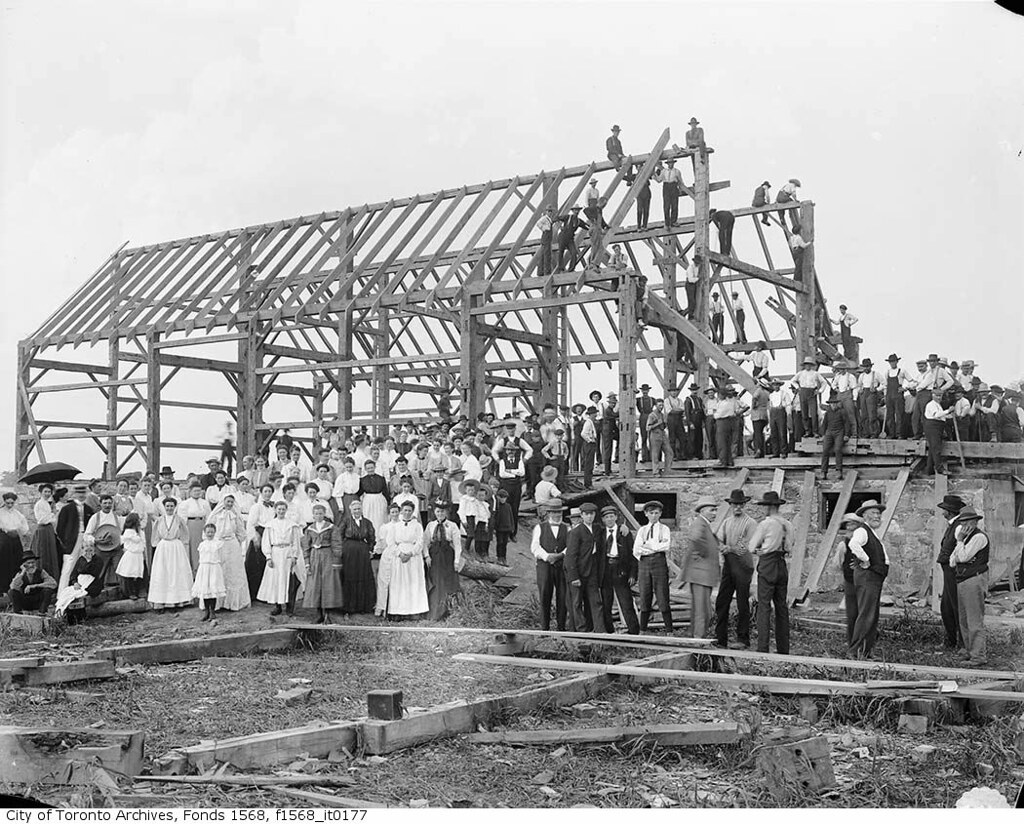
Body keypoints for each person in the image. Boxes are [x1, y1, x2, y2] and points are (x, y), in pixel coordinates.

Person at [749, 490, 792, 654]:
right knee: (782, 607)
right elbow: (790, 546)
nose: (762, 510)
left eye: (764, 506)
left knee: (764, 606)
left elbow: (752, 546)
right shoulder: (788, 524)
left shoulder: (765, 524)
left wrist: (761, 550)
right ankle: (783, 649)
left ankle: (763, 647)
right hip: (781, 563)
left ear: (769, 507)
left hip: (767, 563)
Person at [713, 490, 757, 649]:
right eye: (734, 504)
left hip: (743, 565)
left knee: (742, 602)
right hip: (728, 564)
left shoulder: (750, 523)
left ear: (744, 505)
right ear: (730, 505)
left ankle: (743, 639)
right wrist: (723, 547)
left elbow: (746, 546)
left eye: (740, 504)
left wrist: (729, 548)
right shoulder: (726, 522)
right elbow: (718, 539)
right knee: (722, 600)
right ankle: (720, 638)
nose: (737, 507)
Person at [846, 500, 889, 658]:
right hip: (867, 578)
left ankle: (865, 651)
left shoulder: (872, 532)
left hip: (874, 578)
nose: (877, 516)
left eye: (878, 513)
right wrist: (865, 559)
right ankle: (855, 651)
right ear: (864, 515)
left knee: (872, 615)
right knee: (866, 615)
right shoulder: (862, 531)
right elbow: (853, 544)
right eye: (873, 513)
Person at [949, 507, 989, 666]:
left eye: (967, 522)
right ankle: (967, 650)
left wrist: (959, 542)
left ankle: (978, 656)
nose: (964, 526)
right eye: (963, 522)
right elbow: (953, 560)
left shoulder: (978, 537)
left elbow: (964, 557)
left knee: (974, 619)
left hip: (974, 578)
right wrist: (959, 549)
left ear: (974, 522)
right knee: (964, 618)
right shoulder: (966, 539)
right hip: (964, 579)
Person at [565, 502, 607, 633]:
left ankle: (600, 630)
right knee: (577, 603)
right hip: (578, 571)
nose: (589, 517)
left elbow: (610, 529)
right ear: (582, 515)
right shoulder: (575, 532)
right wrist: (574, 576)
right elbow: (570, 555)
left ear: (595, 515)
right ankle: (581, 630)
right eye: (586, 514)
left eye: (592, 514)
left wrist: (623, 527)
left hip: (592, 571)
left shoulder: (597, 529)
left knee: (596, 601)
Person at [258, 501, 304, 616]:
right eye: (279, 509)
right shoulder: (270, 525)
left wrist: (294, 556)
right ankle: (277, 606)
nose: (281, 511)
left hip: (287, 553)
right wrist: (268, 557)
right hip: (275, 553)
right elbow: (266, 542)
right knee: (275, 580)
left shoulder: (292, 525)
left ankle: (289, 607)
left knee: (289, 579)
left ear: (286, 510)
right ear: (275, 510)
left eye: (283, 509)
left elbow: (295, 542)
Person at [597, 506, 639, 635]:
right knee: (606, 602)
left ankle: (634, 632)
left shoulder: (624, 533)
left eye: (611, 516)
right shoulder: (600, 533)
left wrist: (633, 574)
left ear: (616, 517)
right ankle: (609, 631)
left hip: (620, 570)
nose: (609, 519)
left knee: (626, 602)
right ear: (603, 520)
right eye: (606, 517)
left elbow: (633, 555)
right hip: (605, 571)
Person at [531, 501, 571, 631]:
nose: (556, 514)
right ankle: (545, 628)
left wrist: (559, 555)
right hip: (544, 566)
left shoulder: (567, 528)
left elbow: (571, 546)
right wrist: (547, 557)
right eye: (554, 512)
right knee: (544, 595)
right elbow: (535, 547)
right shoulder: (540, 527)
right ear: (548, 513)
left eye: (559, 512)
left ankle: (561, 627)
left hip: (562, 565)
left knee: (563, 595)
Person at [634, 500, 673, 633]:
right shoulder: (642, 530)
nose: (654, 516)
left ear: (660, 514)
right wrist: (654, 548)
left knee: (662, 594)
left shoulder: (664, 529)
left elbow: (666, 546)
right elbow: (637, 550)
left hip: (659, 563)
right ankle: (642, 630)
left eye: (657, 513)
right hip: (644, 564)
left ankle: (669, 630)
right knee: (645, 594)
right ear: (646, 514)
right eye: (651, 513)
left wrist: (649, 546)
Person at [149, 497, 194, 611]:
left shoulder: (179, 520)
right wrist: (157, 544)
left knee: (176, 572)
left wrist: (183, 543)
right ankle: (161, 601)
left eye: (171, 506)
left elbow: (185, 534)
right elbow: (155, 536)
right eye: (167, 506)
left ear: (175, 507)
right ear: (164, 507)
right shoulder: (159, 520)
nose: (169, 508)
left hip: (175, 547)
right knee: (162, 572)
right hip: (163, 547)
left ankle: (176, 601)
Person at [685, 498, 721, 639]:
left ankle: (695, 636)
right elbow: (695, 538)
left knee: (699, 608)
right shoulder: (699, 523)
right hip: (701, 574)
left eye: (716, 509)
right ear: (702, 511)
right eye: (711, 510)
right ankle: (699, 639)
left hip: (702, 574)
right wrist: (704, 552)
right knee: (702, 609)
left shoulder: (704, 524)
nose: (715, 513)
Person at [301, 502, 342, 624]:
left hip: (327, 554)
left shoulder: (331, 527)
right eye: (316, 514)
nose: (318, 516)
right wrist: (307, 563)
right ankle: (318, 614)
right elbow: (306, 547)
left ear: (324, 514)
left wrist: (336, 561)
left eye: (321, 513)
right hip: (314, 556)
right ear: (313, 515)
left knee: (328, 583)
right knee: (315, 584)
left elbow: (337, 544)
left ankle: (327, 614)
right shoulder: (310, 529)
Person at [935, 494, 967, 650]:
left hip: (954, 570)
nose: (942, 512)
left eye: (944, 509)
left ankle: (962, 643)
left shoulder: (959, 526)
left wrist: (954, 565)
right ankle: (950, 640)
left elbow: (961, 549)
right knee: (946, 607)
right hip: (948, 570)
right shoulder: (952, 524)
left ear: (950, 511)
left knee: (956, 606)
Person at [386, 500, 428, 618]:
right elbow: (390, 542)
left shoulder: (417, 526)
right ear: (401, 511)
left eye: (409, 510)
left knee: (413, 583)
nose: (407, 513)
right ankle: (398, 612)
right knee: (399, 583)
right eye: (405, 510)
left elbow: (420, 542)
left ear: (413, 511)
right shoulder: (395, 526)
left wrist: (410, 553)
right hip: (399, 557)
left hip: (413, 557)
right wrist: (399, 554)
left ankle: (414, 612)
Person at [423, 499, 463, 621]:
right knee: (436, 582)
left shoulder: (452, 525)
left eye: (442, 511)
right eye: (438, 511)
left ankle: (448, 611)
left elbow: (457, 544)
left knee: (448, 582)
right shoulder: (430, 525)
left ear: (446, 512)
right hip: (434, 556)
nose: (440, 514)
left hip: (447, 556)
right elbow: (425, 542)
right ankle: (434, 612)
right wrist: (426, 556)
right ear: (435, 512)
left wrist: (456, 561)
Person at [208, 494, 249, 612]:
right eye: (228, 502)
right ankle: (217, 603)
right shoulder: (215, 515)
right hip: (219, 545)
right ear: (223, 502)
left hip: (232, 545)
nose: (229, 504)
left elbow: (241, 532)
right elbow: (208, 530)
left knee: (233, 572)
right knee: (219, 571)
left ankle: (232, 602)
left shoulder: (235, 516)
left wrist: (235, 542)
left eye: (232, 502)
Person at [335, 500, 376, 614]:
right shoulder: (346, 521)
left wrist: (370, 549)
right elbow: (339, 535)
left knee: (363, 575)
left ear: (361, 509)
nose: (357, 511)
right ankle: (348, 606)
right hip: (349, 551)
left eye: (359, 509)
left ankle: (363, 606)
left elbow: (372, 537)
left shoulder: (367, 522)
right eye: (355, 509)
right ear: (351, 510)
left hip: (363, 551)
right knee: (349, 575)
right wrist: (342, 549)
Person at [838, 513, 866, 647]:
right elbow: (838, 563)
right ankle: (852, 642)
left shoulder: (864, 542)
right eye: (848, 524)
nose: (849, 527)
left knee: (863, 612)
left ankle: (861, 641)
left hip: (864, 581)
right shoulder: (843, 544)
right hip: (850, 580)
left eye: (852, 524)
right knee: (852, 613)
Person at [191, 522, 226, 622]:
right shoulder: (202, 544)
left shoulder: (218, 544)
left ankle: (212, 611)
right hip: (204, 568)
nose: (210, 534)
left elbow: (222, 557)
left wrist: (218, 565)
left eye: (212, 532)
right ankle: (206, 611)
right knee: (205, 590)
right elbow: (200, 557)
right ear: (204, 533)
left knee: (213, 591)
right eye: (208, 532)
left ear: (215, 532)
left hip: (214, 567)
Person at [28, 484, 61, 581]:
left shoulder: (47, 503)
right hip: (43, 530)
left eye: (49, 492)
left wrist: (52, 511)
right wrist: (53, 514)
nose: (47, 494)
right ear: (41, 492)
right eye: (45, 491)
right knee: (43, 553)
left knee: (51, 553)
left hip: (49, 530)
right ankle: (43, 578)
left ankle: (52, 578)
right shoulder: (39, 504)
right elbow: (42, 519)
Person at [791, 357, 827, 437]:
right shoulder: (800, 373)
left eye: (809, 365)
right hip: (803, 391)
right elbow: (792, 380)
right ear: (804, 365)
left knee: (814, 413)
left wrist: (820, 391)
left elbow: (824, 382)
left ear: (811, 365)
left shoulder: (815, 373)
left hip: (811, 392)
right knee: (804, 413)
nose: (808, 366)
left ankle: (815, 431)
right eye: (806, 364)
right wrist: (798, 388)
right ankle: (807, 430)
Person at [114, 512, 146, 600]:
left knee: (138, 574)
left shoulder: (140, 532)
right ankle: (130, 592)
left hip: (138, 555)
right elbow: (130, 540)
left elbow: (143, 543)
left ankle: (138, 591)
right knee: (129, 574)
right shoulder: (128, 532)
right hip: (131, 555)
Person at [819, 392, 850, 480]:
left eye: (834, 403)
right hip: (829, 432)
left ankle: (838, 470)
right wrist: (822, 434)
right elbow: (824, 424)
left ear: (837, 404)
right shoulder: (828, 413)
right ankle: (823, 471)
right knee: (825, 450)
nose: (833, 405)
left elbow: (847, 423)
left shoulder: (842, 411)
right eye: (831, 404)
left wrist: (846, 434)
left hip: (839, 432)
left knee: (838, 449)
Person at [924, 389, 954, 475]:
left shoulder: (938, 405)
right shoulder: (931, 404)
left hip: (937, 426)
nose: (939, 397)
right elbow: (936, 415)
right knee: (936, 448)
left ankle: (929, 470)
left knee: (932, 449)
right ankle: (940, 469)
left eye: (940, 396)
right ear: (932, 395)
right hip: (933, 427)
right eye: (937, 395)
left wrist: (949, 415)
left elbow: (941, 416)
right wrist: (948, 410)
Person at [713, 386, 744, 468]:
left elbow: (718, 415)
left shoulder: (724, 403)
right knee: (728, 442)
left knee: (721, 442)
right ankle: (729, 460)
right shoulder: (730, 402)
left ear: (721, 395)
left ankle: (722, 460)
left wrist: (714, 414)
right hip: (729, 421)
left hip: (722, 422)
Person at [882, 354, 910, 439]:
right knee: (889, 416)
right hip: (889, 396)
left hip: (898, 396)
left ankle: (899, 434)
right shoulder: (887, 372)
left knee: (899, 415)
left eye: (893, 361)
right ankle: (891, 434)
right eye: (890, 362)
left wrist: (905, 388)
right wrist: (885, 395)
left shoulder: (902, 371)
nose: (892, 363)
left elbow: (912, 381)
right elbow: (885, 385)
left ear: (897, 361)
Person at [767, 380, 792, 458]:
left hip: (781, 412)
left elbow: (788, 404)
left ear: (779, 385)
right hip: (773, 412)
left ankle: (784, 451)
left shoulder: (784, 394)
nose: (776, 386)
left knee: (782, 433)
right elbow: (769, 406)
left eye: (777, 385)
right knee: (774, 433)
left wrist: (788, 413)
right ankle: (775, 452)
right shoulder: (771, 395)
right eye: (774, 385)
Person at [858, 359, 882, 438]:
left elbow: (884, 384)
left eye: (867, 366)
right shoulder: (862, 376)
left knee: (872, 415)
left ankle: (874, 433)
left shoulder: (876, 374)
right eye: (864, 367)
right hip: (864, 393)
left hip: (872, 394)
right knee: (864, 415)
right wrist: (860, 389)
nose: (866, 368)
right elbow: (858, 385)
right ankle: (866, 433)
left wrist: (877, 389)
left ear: (871, 366)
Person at [647, 398, 671, 477]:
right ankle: (655, 472)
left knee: (670, 452)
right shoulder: (652, 415)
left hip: (662, 434)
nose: (661, 407)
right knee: (655, 454)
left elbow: (663, 426)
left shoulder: (662, 415)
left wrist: (665, 423)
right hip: (655, 435)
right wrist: (657, 423)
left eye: (662, 405)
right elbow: (648, 428)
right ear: (655, 406)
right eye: (659, 405)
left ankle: (667, 471)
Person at [555, 206, 584, 272]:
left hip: (570, 239)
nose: (576, 212)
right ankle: (561, 268)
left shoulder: (578, 221)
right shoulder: (567, 217)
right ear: (572, 211)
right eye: (575, 210)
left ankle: (571, 269)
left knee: (574, 253)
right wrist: (560, 227)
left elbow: (585, 226)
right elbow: (557, 218)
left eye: (578, 210)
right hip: (563, 236)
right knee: (561, 252)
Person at [657, 158, 683, 227]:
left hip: (674, 186)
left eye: (671, 163)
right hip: (666, 187)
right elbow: (659, 180)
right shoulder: (664, 171)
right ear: (667, 164)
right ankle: (667, 223)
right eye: (669, 163)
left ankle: (673, 221)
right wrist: (654, 175)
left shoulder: (677, 171)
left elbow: (680, 181)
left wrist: (680, 189)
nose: (670, 164)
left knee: (674, 205)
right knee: (666, 206)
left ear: (673, 163)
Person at [749, 380, 770, 458]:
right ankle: (762, 451)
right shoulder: (767, 393)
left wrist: (754, 406)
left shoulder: (758, 391)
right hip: (764, 414)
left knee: (757, 433)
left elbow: (754, 398)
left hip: (757, 415)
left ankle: (758, 449)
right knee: (761, 433)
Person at [493, 488, 514, 566]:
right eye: (501, 497)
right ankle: (499, 557)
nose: (503, 499)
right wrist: (495, 527)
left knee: (504, 543)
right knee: (500, 543)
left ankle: (504, 557)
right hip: (499, 528)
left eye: (504, 497)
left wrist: (512, 527)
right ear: (498, 497)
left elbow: (511, 517)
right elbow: (495, 517)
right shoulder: (497, 506)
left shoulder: (508, 506)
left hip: (507, 528)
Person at [579, 406, 599, 488]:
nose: (596, 415)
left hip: (591, 444)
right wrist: (589, 440)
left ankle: (588, 482)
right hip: (589, 444)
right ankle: (587, 483)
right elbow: (583, 434)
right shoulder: (588, 423)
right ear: (591, 414)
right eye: (594, 413)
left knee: (590, 464)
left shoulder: (591, 422)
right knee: (588, 464)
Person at [600, 392, 619, 475]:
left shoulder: (610, 410)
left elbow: (614, 424)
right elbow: (614, 415)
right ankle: (607, 470)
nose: (613, 405)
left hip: (610, 432)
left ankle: (610, 467)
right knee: (608, 450)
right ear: (609, 403)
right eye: (612, 403)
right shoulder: (608, 410)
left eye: (614, 403)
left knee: (610, 449)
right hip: (607, 433)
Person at [636, 385, 654, 462]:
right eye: (643, 390)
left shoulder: (652, 399)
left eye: (646, 390)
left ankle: (652, 457)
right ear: (642, 391)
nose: (645, 392)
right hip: (643, 417)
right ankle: (644, 457)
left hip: (650, 417)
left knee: (651, 438)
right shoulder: (638, 400)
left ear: (648, 391)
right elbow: (631, 401)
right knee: (644, 438)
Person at [538, 205, 555, 277]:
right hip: (546, 237)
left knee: (544, 254)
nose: (550, 212)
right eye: (548, 211)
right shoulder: (544, 218)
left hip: (547, 237)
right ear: (546, 211)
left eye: (551, 211)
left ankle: (541, 271)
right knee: (546, 254)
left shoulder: (549, 219)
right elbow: (538, 224)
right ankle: (546, 271)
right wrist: (545, 228)